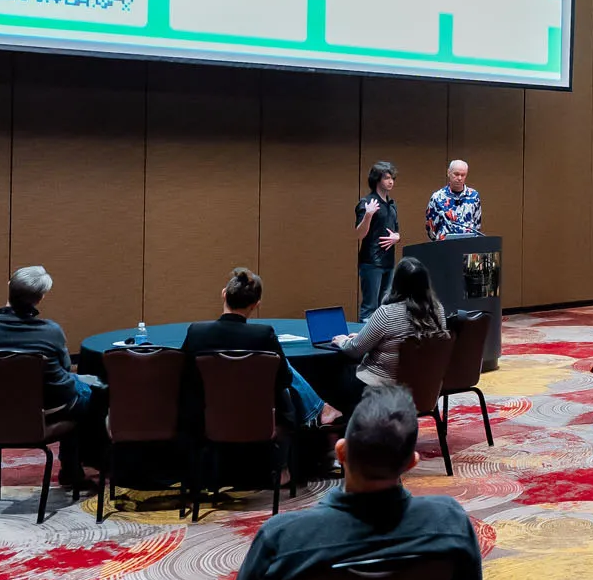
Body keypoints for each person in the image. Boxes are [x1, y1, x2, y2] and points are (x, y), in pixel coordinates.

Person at [138, 386, 486, 580]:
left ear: (341, 451)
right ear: (411, 462)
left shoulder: (284, 535)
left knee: (280, 577)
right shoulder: (450, 521)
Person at [0, 266, 106, 491]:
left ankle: (75, 468)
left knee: (81, 387)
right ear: (41, 297)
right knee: (94, 391)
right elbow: (64, 375)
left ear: (9, 287)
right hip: (47, 410)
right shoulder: (50, 331)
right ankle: (79, 468)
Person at [182, 268, 334, 428]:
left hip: (204, 422)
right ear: (256, 305)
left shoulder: (196, 332)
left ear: (224, 294)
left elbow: (185, 374)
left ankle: (321, 409)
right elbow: (284, 379)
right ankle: (318, 411)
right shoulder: (263, 335)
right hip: (258, 421)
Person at [332, 257, 450, 408]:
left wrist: (343, 341)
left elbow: (354, 350)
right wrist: (364, 338)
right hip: (423, 389)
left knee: (335, 372)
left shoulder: (387, 313)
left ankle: (337, 418)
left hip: (382, 389)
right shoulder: (438, 310)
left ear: (397, 282)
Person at [355, 160, 401, 320]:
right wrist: (368, 215)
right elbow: (359, 234)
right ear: (377, 180)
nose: (391, 181)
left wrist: (397, 237)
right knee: (370, 307)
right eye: (387, 178)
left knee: (385, 307)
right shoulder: (367, 203)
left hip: (388, 261)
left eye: (392, 178)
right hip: (371, 261)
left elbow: (396, 231)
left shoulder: (391, 204)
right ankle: (364, 335)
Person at [424, 159, 482, 240]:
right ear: (448, 173)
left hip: (468, 243)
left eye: (463, 175)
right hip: (444, 244)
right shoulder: (437, 197)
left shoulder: (474, 196)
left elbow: (477, 224)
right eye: (456, 174)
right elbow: (430, 227)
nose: (459, 178)